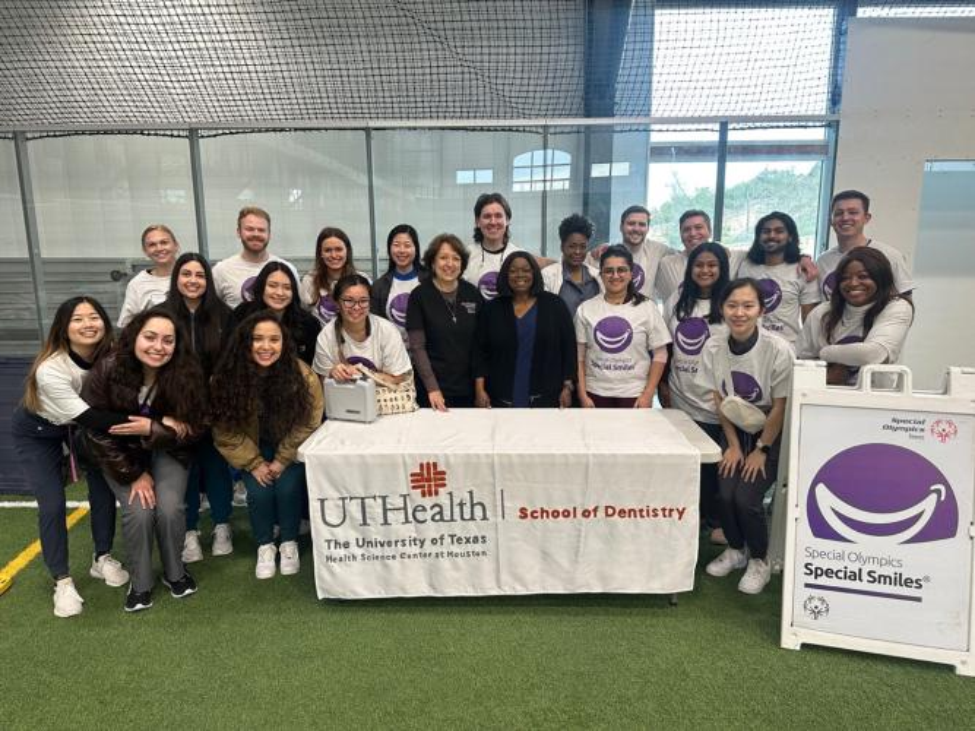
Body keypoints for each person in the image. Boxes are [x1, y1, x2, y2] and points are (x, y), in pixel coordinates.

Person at [81, 307, 206, 612]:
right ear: (135, 335)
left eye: (167, 340)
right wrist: (134, 473)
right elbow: (93, 428)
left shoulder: (187, 373)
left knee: (169, 508)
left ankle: (176, 573)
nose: (158, 347)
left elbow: (197, 429)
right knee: (139, 511)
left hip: (168, 450)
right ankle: (141, 582)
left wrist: (154, 427)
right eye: (150, 337)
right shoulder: (108, 368)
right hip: (118, 453)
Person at [11, 297, 129, 617]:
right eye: (78, 319)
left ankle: (101, 558)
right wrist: (149, 424)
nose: (88, 324)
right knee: (52, 504)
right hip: (39, 433)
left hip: (76, 430)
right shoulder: (52, 368)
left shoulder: (113, 357)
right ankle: (61, 581)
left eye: (94, 317)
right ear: (63, 328)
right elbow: (92, 417)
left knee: (103, 490)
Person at [211, 313, 324, 580]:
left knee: (287, 489)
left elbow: (310, 421)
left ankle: (288, 543)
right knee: (260, 493)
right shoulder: (226, 377)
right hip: (252, 450)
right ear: (245, 342)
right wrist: (254, 463)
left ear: (284, 343)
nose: (266, 346)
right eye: (258, 339)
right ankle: (264, 545)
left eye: (274, 339)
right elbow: (224, 429)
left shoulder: (301, 374)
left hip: (290, 448)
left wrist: (283, 459)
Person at [701, 278, 793, 595]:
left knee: (746, 498)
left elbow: (781, 406)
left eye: (747, 305)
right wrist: (734, 446)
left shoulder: (778, 349)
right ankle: (737, 551)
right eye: (732, 305)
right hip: (736, 428)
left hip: (770, 431)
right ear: (722, 309)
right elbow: (718, 399)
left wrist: (762, 449)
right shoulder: (713, 347)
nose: (739, 313)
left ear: (760, 309)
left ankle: (760, 560)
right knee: (725, 494)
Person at [163, 253, 236, 563]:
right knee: (187, 471)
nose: (193, 280)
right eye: (186, 274)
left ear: (208, 281)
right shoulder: (161, 314)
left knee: (217, 468)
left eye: (199, 275)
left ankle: (222, 525)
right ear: (176, 278)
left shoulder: (224, 315)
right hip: (178, 410)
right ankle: (190, 530)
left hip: (216, 409)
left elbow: (232, 361)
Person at [659, 243, 730, 544]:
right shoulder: (678, 299)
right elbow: (667, 345)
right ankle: (690, 515)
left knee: (716, 466)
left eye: (712, 265)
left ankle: (713, 519)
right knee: (687, 463)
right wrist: (664, 388)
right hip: (681, 394)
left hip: (718, 401)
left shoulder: (730, 301)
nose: (705, 270)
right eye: (699, 265)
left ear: (722, 268)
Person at [797, 247, 914, 386]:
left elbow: (874, 354)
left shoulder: (897, 307)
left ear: (880, 277)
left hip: (876, 399)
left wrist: (825, 354)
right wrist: (826, 374)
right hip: (825, 398)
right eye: (845, 278)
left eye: (863, 276)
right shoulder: (822, 312)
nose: (853, 283)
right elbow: (801, 362)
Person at [475, 252, 576, 408]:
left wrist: (568, 387)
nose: (520, 275)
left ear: (534, 273)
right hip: (501, 399)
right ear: (505, 275)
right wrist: (479, 389)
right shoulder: (492, 309)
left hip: (546, 399)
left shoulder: (555, 305)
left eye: (526, 270)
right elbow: (479, 353)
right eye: (513, 270)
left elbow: (569, 349)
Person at [575, 245, 671, 408]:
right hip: (595, 393)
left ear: (631, 273)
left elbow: (661, 355)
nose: (615, 276)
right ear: (601, 274)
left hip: (634, 394)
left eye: (621, 270)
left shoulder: (647, 308)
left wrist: (648, 394)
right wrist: (582, 394)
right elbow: (579, 357)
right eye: (609, 271)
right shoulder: (586, 309)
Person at [656, 209, 818, 302]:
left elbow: (770, 248)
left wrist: (802, 258)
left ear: (710, 231)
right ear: (680, 234)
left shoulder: (735, 257)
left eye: (699, 228)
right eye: (686, 229)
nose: (693, 234)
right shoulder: (667, 262)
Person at [406, 233, 485, 410]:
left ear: (462, 264)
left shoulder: (473, 294)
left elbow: (480, 346)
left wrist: (480, 388)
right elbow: (418, 347)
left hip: (468, 389)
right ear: (432, 263)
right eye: (443, 258)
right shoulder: (419, 296)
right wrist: (433, 388)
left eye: (455, 258)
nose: (449, 264)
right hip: (431, 391)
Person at [736, 211, 820, 347]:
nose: (771, 235)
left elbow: (809, 322)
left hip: (788, 347)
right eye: (766, 231)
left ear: (790, 237)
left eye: (779, 231)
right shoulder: (745, 265)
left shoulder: (803, 271)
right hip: (750, 347)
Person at [314, 275, 412, 386]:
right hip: (343, 399)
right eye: (349, 301)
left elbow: (398, 377)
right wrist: (332, 374)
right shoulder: (326, 336)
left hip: (383, 399)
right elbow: (322, 381)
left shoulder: (387, 331)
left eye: (363, 301)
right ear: (337, 303)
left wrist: (361, 374)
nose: (356, 307)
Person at [817, 190, 914, 301]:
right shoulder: (822, 261)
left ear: (866, 218)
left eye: (853, 212)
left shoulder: (890, 255)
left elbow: (905, 299)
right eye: (839, 213)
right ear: (831, 220)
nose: (845, 218)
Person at [233, 262, 321, 365]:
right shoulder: (242, 315)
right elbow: (231, 355)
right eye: (272, 286)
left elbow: (311, 366)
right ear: (261, 287)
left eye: (287, 287)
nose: (279, 293)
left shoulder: (308, 324)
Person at [212, 206, 298, 308]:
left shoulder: (287, 269)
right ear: (238, 232)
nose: (256, 234)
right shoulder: (221, 271)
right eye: (250, 229)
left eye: (261, 230)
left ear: (269, 234)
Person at [586, 205, 672, 301]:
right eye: (631, 224)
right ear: (621, 227)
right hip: (612, 313)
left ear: (648, 228)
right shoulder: (604, 253)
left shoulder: (657, 250)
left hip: (645, 314)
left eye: (642, 224)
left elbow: (686, 257)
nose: (636, 229)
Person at [300, 226, 369, 326]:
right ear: (320, 253)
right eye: (328, 250)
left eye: (339, 249)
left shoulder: (362, 279)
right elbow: (303, 315)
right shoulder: (309, 281)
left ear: (347, 251)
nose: (333, 255)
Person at [463, 192, 525, 301]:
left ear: (507, 220)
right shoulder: (465, 255)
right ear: (477, 222)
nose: (493, 222)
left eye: (498, 216)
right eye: (487, 216)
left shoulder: (519, 256)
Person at [370, 224, 428, 338]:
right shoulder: (379, 286)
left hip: (425, 352)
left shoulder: (429, 280)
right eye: (396, 245)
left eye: (407, 245)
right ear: (389, 249)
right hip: (393, 352)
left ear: (416, 248)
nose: (401, 250)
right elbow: (376, 326)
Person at [118, 224, 180, 327]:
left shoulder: (191, 277)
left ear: (176, 245)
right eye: (152, 245)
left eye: (164, 242)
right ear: (145, 251)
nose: (159, 248)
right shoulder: (137, 284)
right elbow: (127, 325)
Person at [541, 213, 601, 317]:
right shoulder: (548, 275)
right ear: (562, 247)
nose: (577, 252)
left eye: (583, 247)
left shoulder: (596, 276)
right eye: (572, 246)